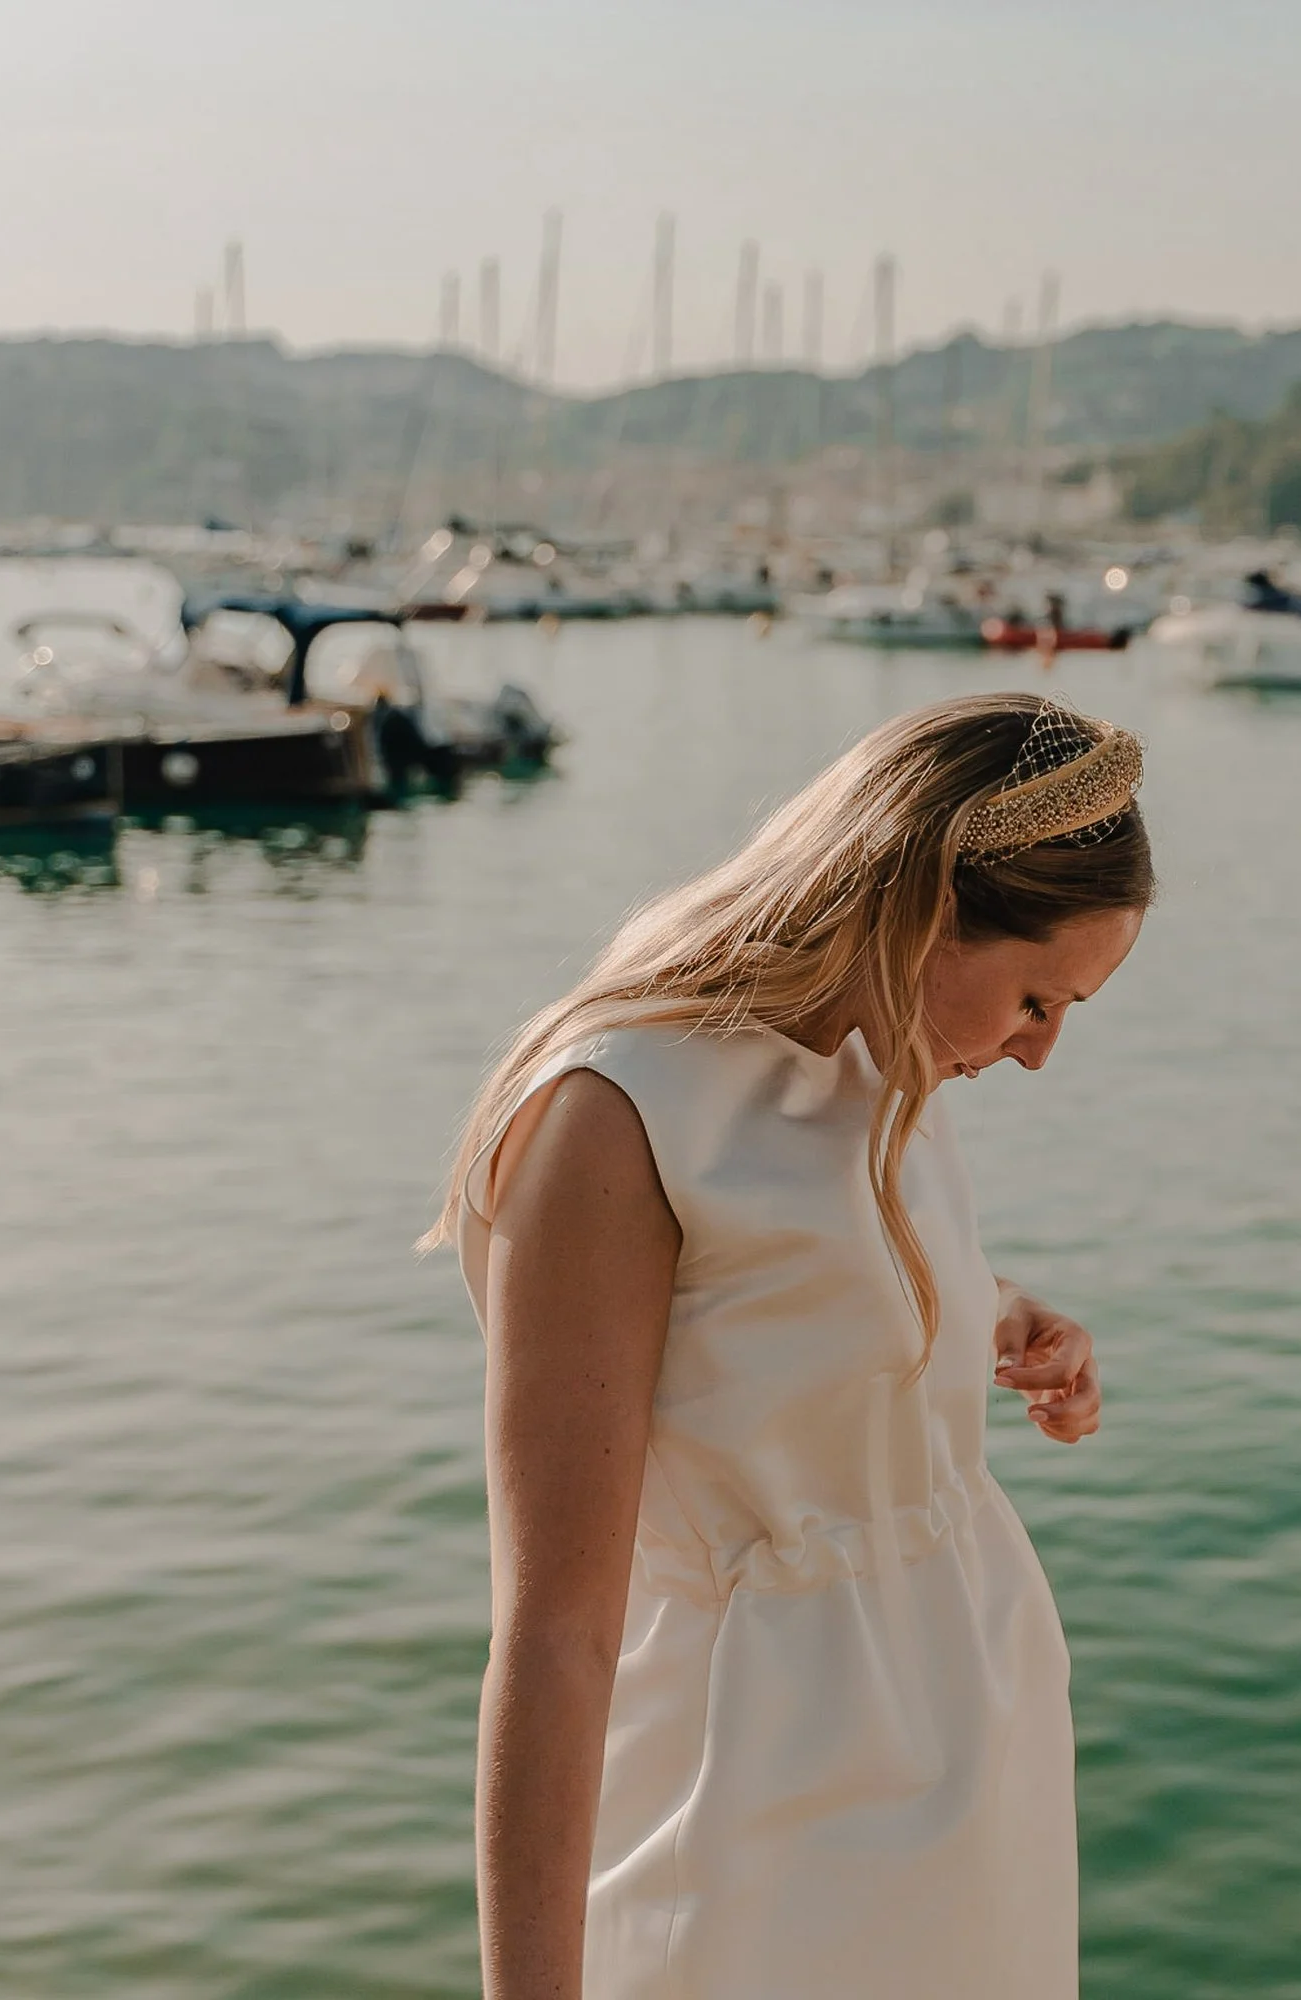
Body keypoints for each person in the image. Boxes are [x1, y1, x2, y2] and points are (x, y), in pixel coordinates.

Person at [436, 694, 1152, 1998]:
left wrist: (991, 1309)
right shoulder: (617, 1116)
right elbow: (554, 1633)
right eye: (1040, 998)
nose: (1040, 1052)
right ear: (930, 908)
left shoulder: (879, 1062)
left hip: (971, 1781)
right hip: (755, 1812)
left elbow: (788, 1290)